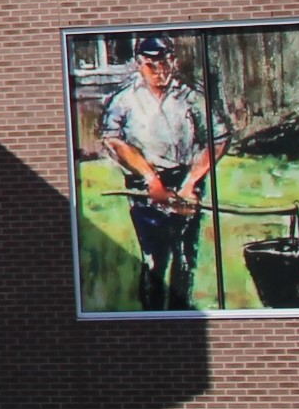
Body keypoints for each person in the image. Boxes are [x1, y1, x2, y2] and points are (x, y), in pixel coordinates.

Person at [95, 34, 227, 311]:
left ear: (173, 61)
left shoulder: (190, 97)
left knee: (185, 258)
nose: (160, 72)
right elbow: (113, 140)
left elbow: (219, 138)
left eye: (165, 64)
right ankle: (153, 319)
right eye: (152, 66)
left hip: (184, 182)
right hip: (143, 185)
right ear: (139, 64)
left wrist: (191, 183)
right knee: (154, 258)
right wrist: (150, 177)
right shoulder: (125, 100)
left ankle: (182, 319)